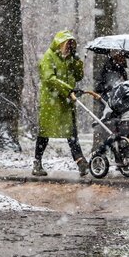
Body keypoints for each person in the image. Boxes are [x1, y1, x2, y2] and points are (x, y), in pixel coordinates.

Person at [34, 30, 87, 176]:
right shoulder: (48, 57)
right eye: (67, 43)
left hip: (66, 101)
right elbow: (49, 78)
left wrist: (77, 61)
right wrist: (68, 90)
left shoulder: (70, 58)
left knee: (71, 133)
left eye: (71, 44)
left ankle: (81, 162)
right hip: (51, 103)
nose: (69, 47)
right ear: (60, 43)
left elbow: (78, 76)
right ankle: (37, 162)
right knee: (45, 133)